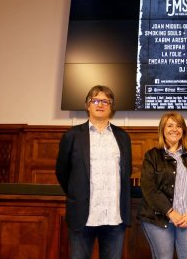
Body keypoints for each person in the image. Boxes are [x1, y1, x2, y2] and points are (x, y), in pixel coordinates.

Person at [56, 85, 132, 259]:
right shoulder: (72, 135)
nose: (101, 104)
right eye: (96, 100)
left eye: (106, 101)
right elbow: (62, 171)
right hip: (83, 217)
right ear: (87, 105)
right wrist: (77, 193)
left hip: (114, 217)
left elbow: (125, 172)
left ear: (111, 107)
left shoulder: (122, 137)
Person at [138, 111, 187, 259]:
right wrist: (170, 212)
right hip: (158, 219)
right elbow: (149, 189)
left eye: (179, 126)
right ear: (162, 129)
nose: (174, 129)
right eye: (170, 125)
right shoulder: (152, 155)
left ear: (183, 130)